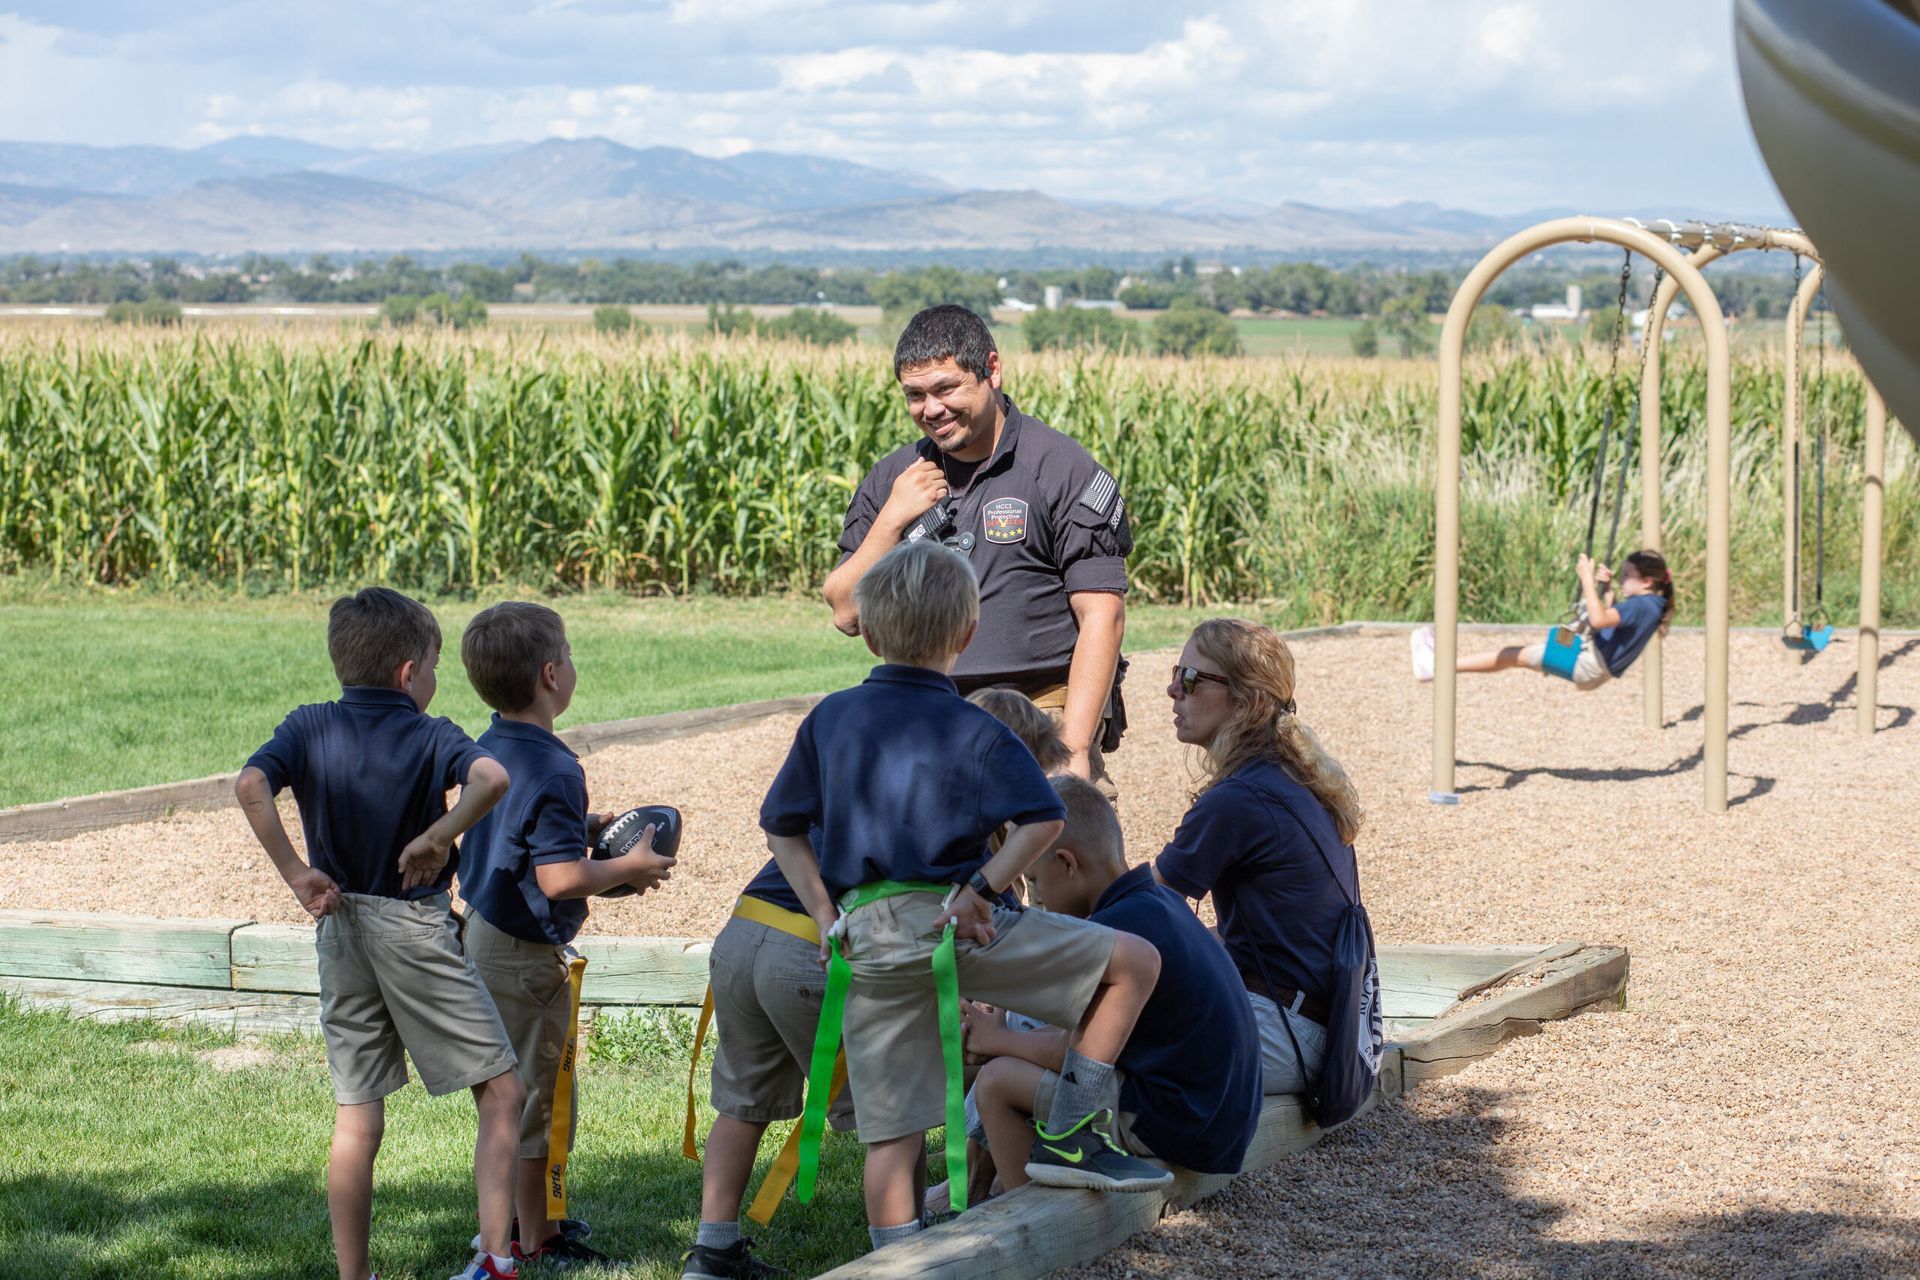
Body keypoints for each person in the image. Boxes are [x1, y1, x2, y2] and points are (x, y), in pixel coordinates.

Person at [764, 540, 1169, 1255]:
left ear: (872, 627)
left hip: (866, 937)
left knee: (892, 1134)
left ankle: (894, 1263)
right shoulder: (975, 726)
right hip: (955, 929)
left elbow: (782, 827)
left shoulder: (830, 717)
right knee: (1134, 963)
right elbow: (1047, 815)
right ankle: (1074, 1131)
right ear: (968, 633)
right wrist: (980, 888)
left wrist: (828, 914)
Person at [232, 587, 524, 1280]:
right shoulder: (431, 733)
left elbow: (250, 785)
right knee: (504, 1092)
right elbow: (491, 776)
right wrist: (438, 835)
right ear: (407, 673)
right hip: (413, 928)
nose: (434, 678)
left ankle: (353, 1275)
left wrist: (298, 873)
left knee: (358, 1115)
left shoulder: (307, 726)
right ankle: (496, 1261)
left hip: (340, 929)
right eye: (433, 664)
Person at [821, 304, 1132, 793]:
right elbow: (845, 611)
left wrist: (1072, 755)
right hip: (925, 717)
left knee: (1058, 866)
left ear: (992, 369)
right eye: (915, 395)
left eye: (946, 388)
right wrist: (892, 518)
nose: (932, 409)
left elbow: (1103, 616)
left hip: (1040, 714)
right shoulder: (893, 480)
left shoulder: (1060, 468)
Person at [457, 602, 677, 1271]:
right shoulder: (555, 766)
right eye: (572, 654)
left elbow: (514, 834)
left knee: (521, 1095)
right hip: (523, 957)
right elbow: (555, 880)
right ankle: (534, 1240)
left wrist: (581, 826)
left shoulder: (487, 747)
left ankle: (533, 1222)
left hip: (483, 937)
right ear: (552, 674)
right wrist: (627, 867)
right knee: (534, 1103)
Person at [963, 775, 1264, 1194]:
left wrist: (997, 1040)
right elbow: (1091, 1038)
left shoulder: (1111, 934)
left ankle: (1025, 1220)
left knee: (998, 1081)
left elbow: (1072, 1054)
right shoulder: (1156, 903)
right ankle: (998, 1190)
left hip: (1181, 1128)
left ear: (1068, 864)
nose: (1034, 899)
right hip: (1217, 1120)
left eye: (1032, 881)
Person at [1154, 618, 1364, 1097]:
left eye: (1190, 679)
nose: (1172, 689)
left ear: (1246, 702)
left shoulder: (1239, 798)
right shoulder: (1291, 775)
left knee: (1079, 1024)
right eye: (1175, 672)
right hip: (1319, 1031)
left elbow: (1147, 909)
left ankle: (1011, 1167)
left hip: (1281, 1035)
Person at [1411, 550, 1676, 691]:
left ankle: (1436, 667)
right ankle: (1441, 666)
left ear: (1646, 581)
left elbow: (1598, 620)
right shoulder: (1652, 605)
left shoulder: (1643, 605)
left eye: (1626, 575)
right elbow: (1616, 624)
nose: (1621, 578)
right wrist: (1607, 590)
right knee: (1514, 656)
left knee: (1511, 655)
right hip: (1592, 662)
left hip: (1588, 664)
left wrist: (1586, 579)